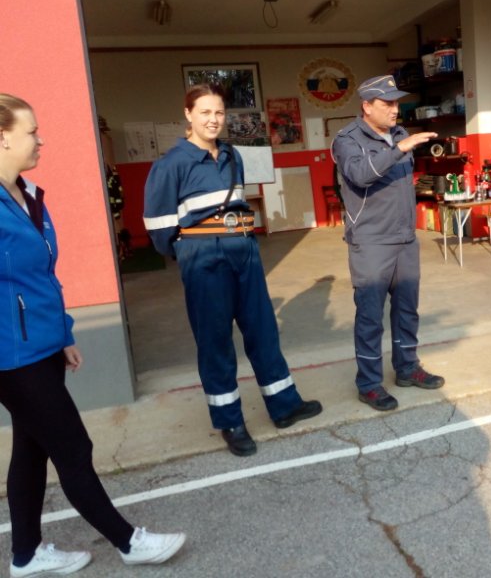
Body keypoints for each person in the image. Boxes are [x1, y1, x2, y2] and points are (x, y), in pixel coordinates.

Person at [0, 93, 185, 576]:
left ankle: (26, 555)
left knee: (31, 448)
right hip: (10, 356)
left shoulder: (28, 195)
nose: (40, 139)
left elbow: (41, 276)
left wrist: (63, 333)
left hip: (41, 344)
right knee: (73, 448)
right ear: (2, 138)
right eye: (31, 131)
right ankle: (127, 541)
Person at [143, 83, 322, 456]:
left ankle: (284, 405)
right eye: (205, 112)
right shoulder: (171, 164)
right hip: (204, 258)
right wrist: (191, 253)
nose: (213, 119)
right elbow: (159, 230)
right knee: (215, 341)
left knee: (263, 331)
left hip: (245, 251)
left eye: (219, 112)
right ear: (188, 114)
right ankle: (230, 422)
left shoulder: (231, 155)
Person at [331, 75, 445, 412]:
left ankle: (407, 368)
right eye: (387, 103)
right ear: (367, 106)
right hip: (371, 241)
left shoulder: (398, 134)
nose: (395, 109)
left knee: (407, 309)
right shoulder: (347, 140)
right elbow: (360, 175)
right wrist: (400, 149)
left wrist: (400, 145)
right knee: (370, 315)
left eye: (396, 103)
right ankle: (369, 384)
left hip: (404, 238)